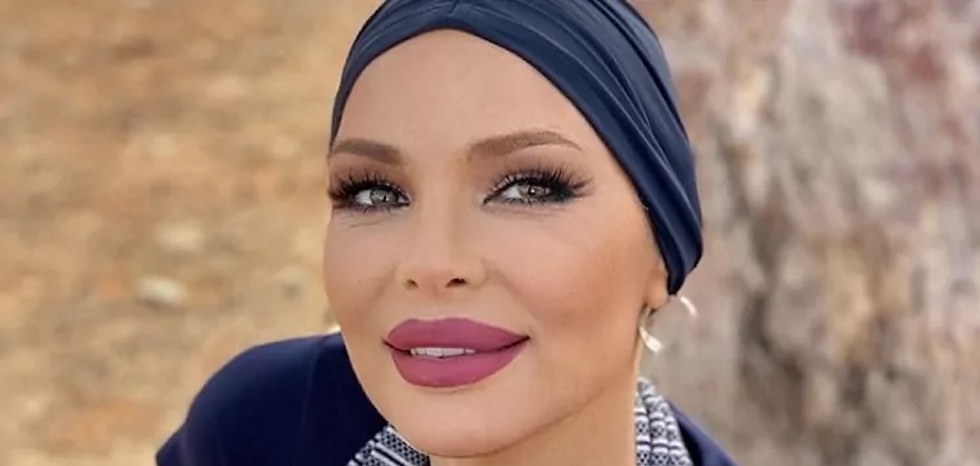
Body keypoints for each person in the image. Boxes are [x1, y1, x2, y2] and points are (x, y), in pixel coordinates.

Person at [156, 1, 738, 465]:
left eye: (527, 189)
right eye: (375, 193)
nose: (431, 263)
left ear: (663, 250)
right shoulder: (259, 429)